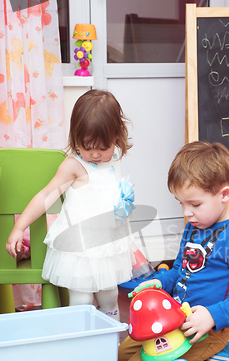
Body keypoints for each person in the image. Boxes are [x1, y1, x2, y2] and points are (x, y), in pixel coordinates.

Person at [118, 140, 229, 361]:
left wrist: (212, 315)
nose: (187, 213)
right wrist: (159, 282)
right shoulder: (194, 226)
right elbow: (179, 271)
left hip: (205, 329)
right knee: (120, 357)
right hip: (176, 318)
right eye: (181, 204)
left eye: (195, 204)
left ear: (224, 194)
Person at [6, 89, 136, 320]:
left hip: (106, 244)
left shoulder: (114, 158)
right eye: (87, 146)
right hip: (80, 247)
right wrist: (19, 227)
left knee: (109, 294)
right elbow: (45, 196)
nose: (95, 154)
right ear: (76, 138)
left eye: (103, 147)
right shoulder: (73, 166)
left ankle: (110, 341)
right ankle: (80, 340)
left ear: (117, 137)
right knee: (82, 299)